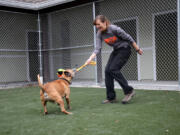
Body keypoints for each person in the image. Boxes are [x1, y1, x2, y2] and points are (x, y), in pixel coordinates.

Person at [85, 15, 143, 104]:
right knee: (107, 71)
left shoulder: (114, 29)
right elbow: (97, 49)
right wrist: (90, 59)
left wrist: (137, 49)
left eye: (98, 24)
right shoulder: (100, 33)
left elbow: (129, 38)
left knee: (113, 69)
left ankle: (129, 91)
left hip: (125, 49)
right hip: (116, 50)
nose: (97, 27)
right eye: (96, 25)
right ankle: (111, 97)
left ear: (105, 22)